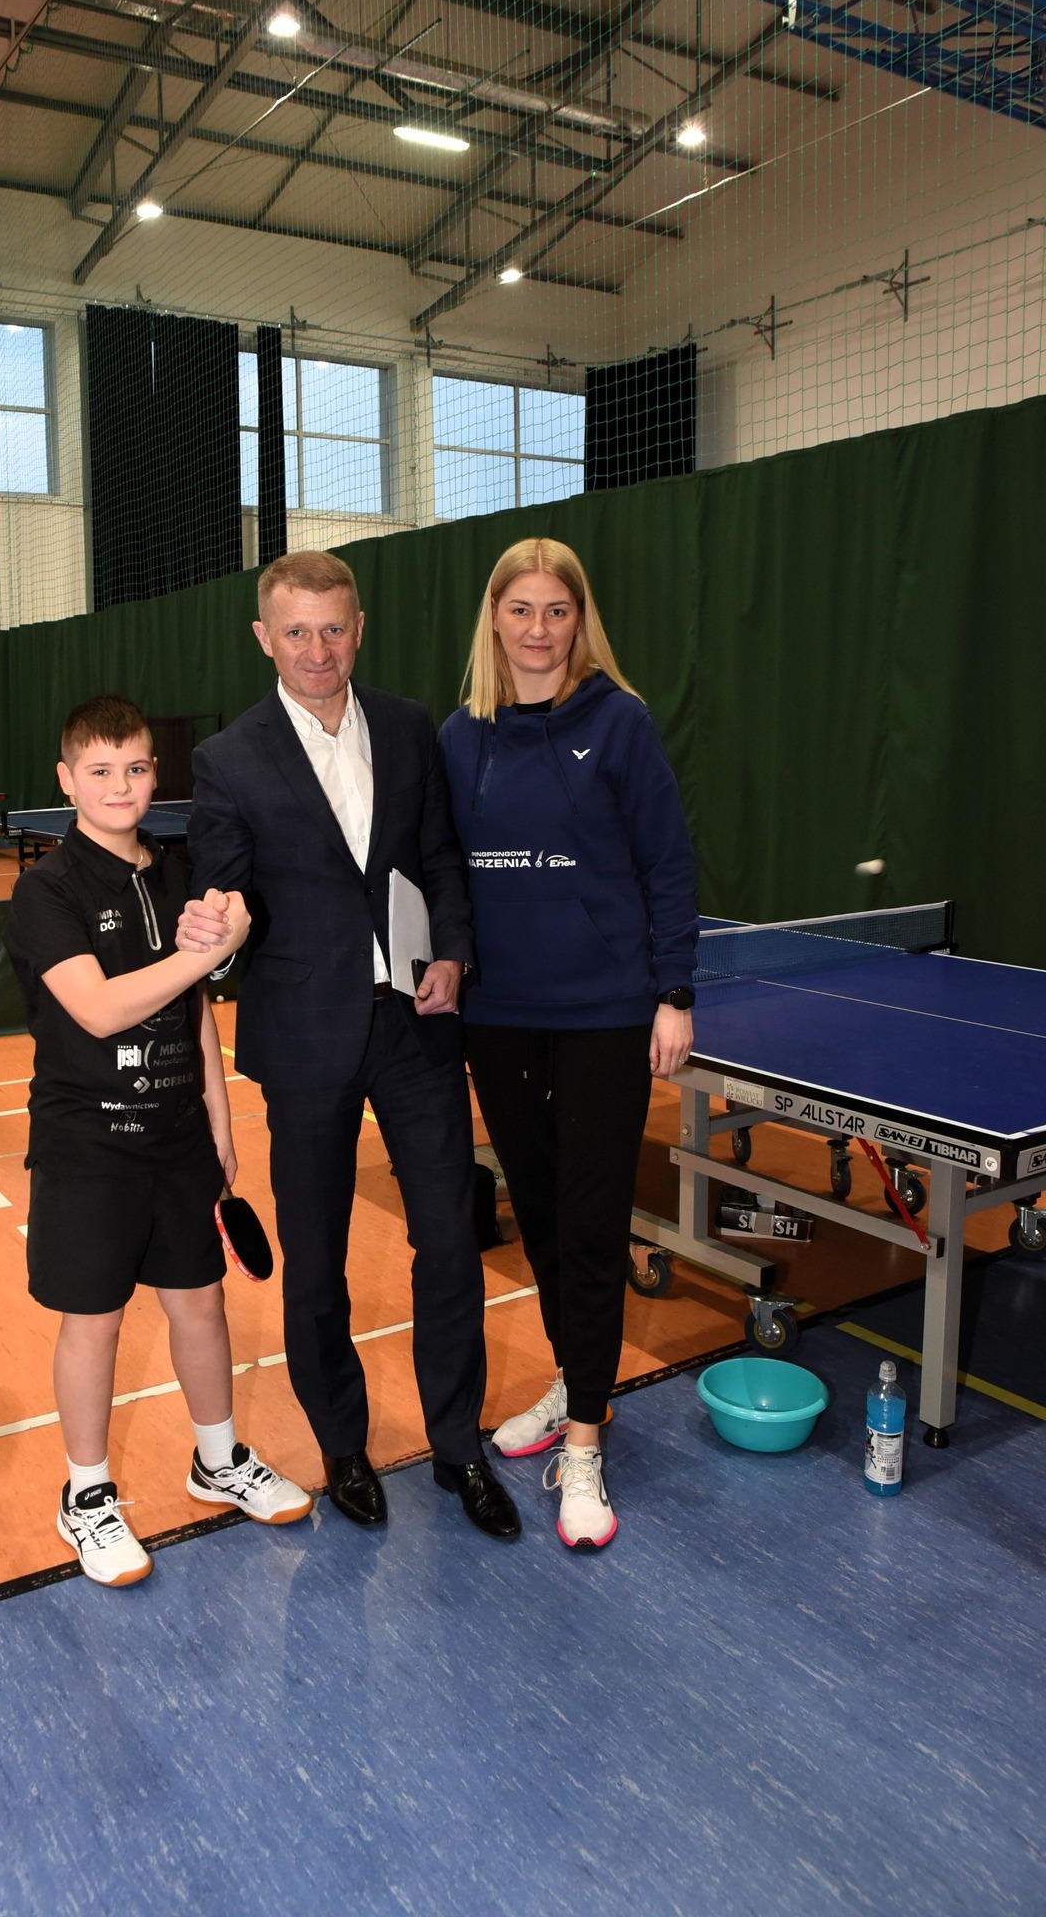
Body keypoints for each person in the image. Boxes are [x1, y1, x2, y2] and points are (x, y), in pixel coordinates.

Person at [177, 551, 520, 1542]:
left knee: (449, 1240)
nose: (317, 649)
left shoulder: (410, 728)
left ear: (359, 628)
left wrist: (451, 951)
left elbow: (441, 857)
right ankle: (344, 1446)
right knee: (317, 1259)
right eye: (297, 631)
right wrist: (216, 922)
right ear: (264, 637)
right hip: (304, 1035)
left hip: (415, 1025)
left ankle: (456, 1443)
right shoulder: (229, 758)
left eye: (333, 628)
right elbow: (223, 882)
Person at [5, 695, 311, 1589]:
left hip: (179, 1136)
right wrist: (213, 950)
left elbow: (196, 1013)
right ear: (66, 781)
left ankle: (218, 1461)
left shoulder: (180, 877)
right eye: (100, 771)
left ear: (155, 774)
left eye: (136, 768)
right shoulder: (46, 891)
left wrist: (218, 1117)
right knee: (94, 1322)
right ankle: (87, 1496)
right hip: (87, 1143)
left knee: (200, 1304)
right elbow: (100, 1010)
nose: (120, 786)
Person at [438, 538, 698, 1553]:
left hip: (605, 1013)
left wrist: (672, 993)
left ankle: (584, 1442)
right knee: (541, 1220)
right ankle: (575, 1380)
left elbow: (667, 863)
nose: (538, 628)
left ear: (579, 620)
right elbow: (442, 870)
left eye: (556, 609)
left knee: (589, 1226)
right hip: (499, 1015)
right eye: (521, 609)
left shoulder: (620, 722)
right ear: (494, 619)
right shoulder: (461, 736)